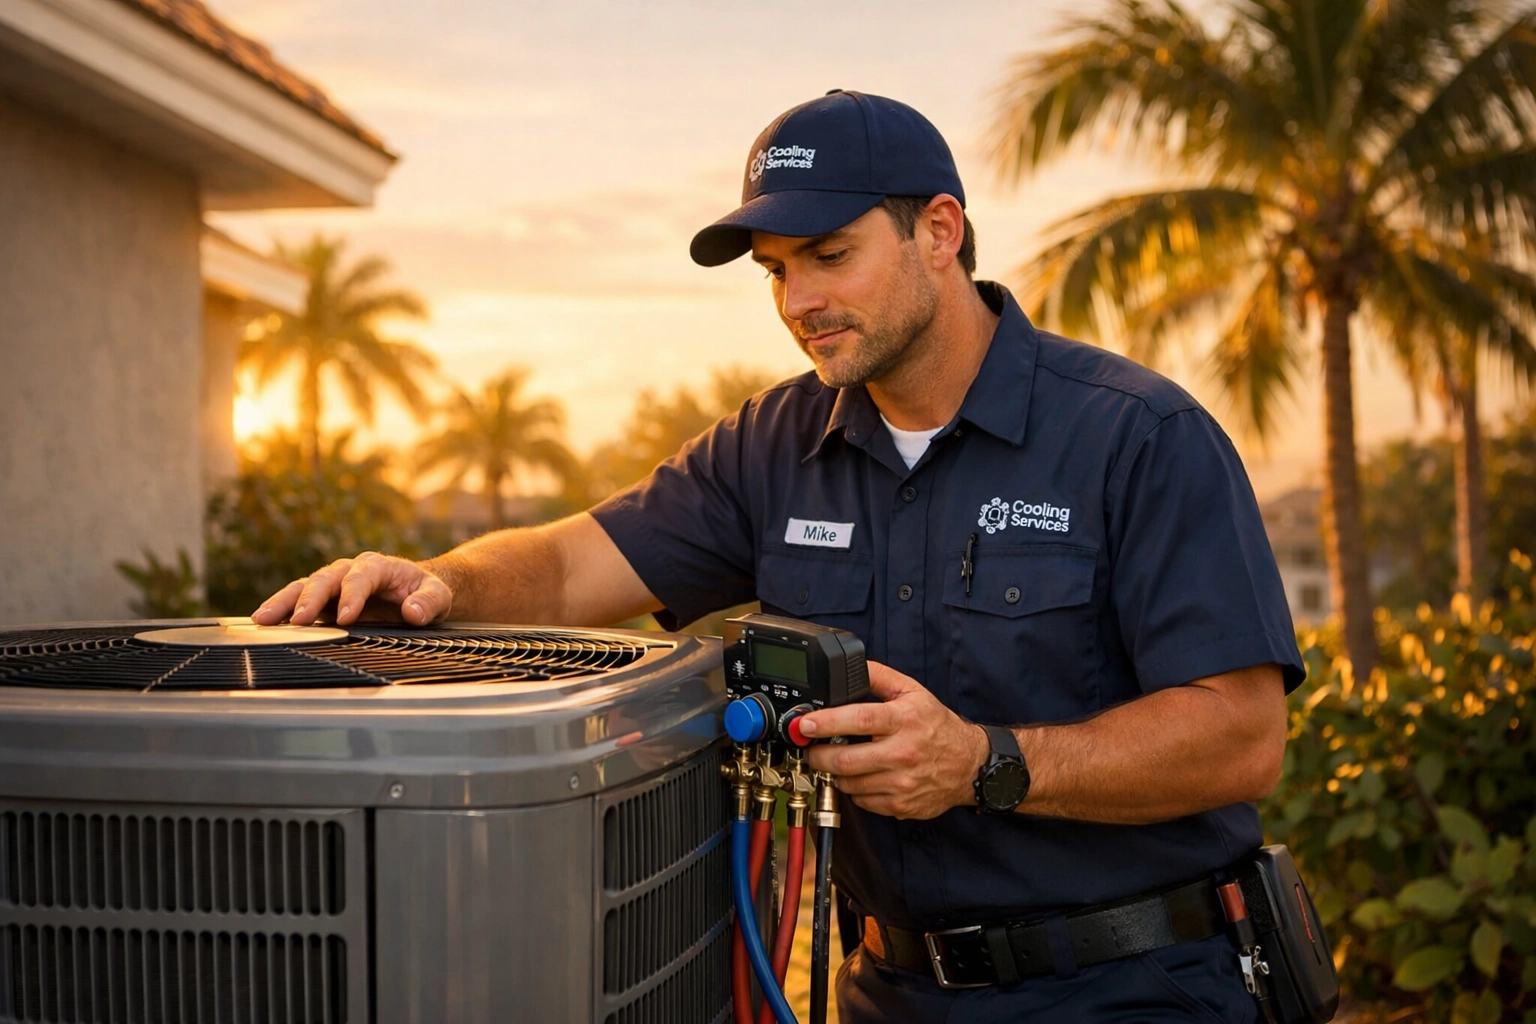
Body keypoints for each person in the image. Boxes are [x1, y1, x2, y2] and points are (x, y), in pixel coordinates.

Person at [254, 90, 1303, 1023]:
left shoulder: (1138, 436)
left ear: (940, 231)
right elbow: (573, 566)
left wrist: (985, 763)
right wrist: (441, 584)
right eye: (776, 271)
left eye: (830, 254)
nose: (798, 300)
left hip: (1134, 987)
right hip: (887, 990)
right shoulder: (772, 445)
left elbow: (1244, 734)